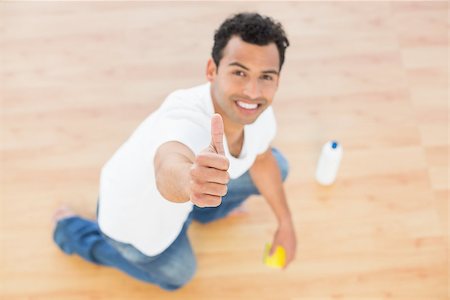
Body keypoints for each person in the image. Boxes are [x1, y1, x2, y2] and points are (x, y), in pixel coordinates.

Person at [53, 12, 296, 291]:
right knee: (179, 275)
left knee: (279, 165)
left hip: (192, 196)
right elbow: (168, 162)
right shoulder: (182, 115)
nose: (252, 91)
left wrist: (286, 222)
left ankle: (205, 211)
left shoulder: (256, 111)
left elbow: (263, 160)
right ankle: (70, 231)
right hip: (134, 216)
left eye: (266, 76)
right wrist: (191, 181)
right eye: (239, 72)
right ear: (212, 70)